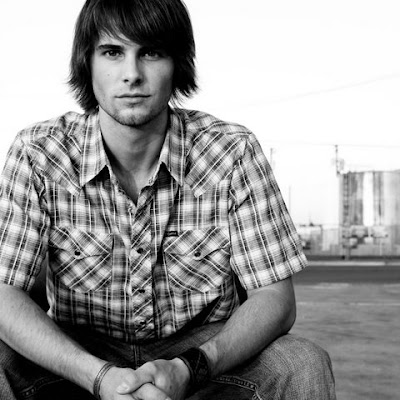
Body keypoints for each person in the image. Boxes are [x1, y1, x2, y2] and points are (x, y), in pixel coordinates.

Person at [0, 0, 336, 399]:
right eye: (112, 52)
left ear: (178, 64)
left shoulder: (231, 152)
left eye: (151, 53)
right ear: (86, 63)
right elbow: (4, 294)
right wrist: (101, 377)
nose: (131, 74)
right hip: (80, 354)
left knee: (302, 363)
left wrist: (190, 368)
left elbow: (275, 299)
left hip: (201, 353)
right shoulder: (39, 153)